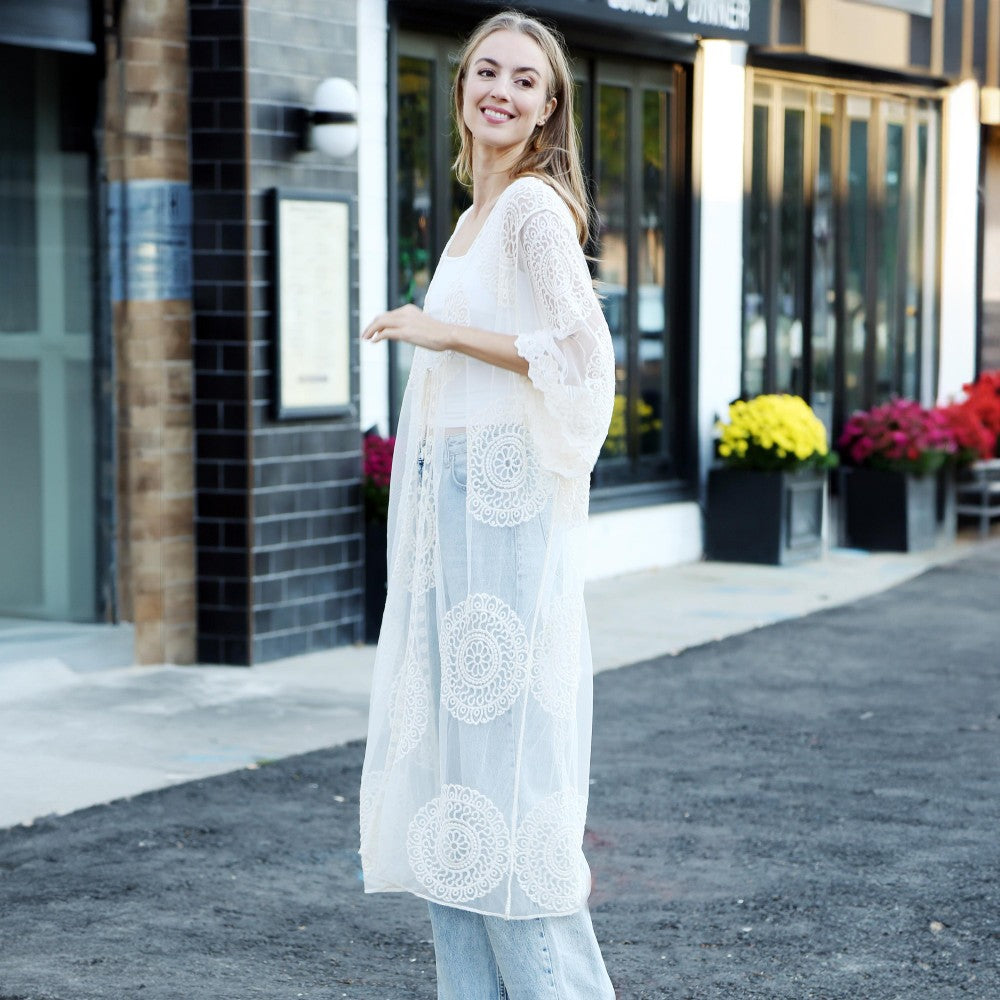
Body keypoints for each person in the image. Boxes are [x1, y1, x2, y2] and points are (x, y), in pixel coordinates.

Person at [359, 9, 616, 998]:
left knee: (508, 781)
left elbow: (583, 354)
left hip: (503, 510)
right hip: (455, 509)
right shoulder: (476, 212)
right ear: (462, 88)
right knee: (456, 785)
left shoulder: (531, 212)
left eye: (523, 80)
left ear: (548, 109)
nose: (499, 91)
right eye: (485, 73)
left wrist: (441, 332)